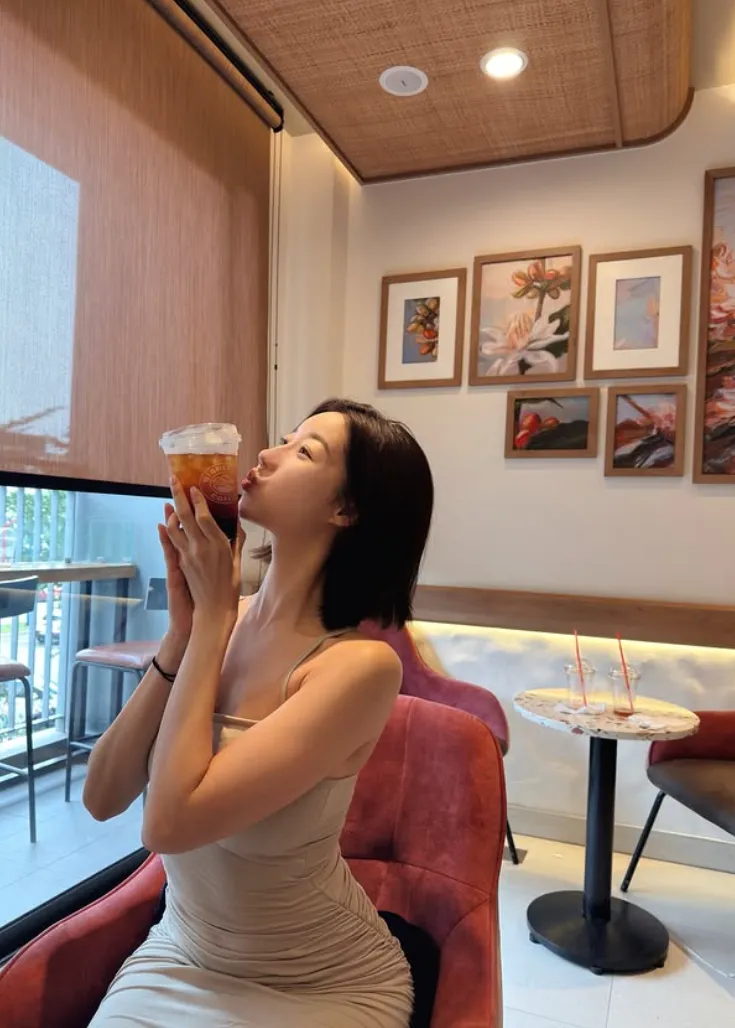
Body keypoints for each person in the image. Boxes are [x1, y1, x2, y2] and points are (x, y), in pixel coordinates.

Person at [83, 398, 434, 1028]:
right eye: (283, 438)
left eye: (304, 451)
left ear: (346, 509)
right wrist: (184, 634)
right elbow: (102, 796)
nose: (267, 455)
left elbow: (168, 826)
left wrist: (212, 621)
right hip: (179, 953)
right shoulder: (216, 624)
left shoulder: (359, 668)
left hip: (322, 982)